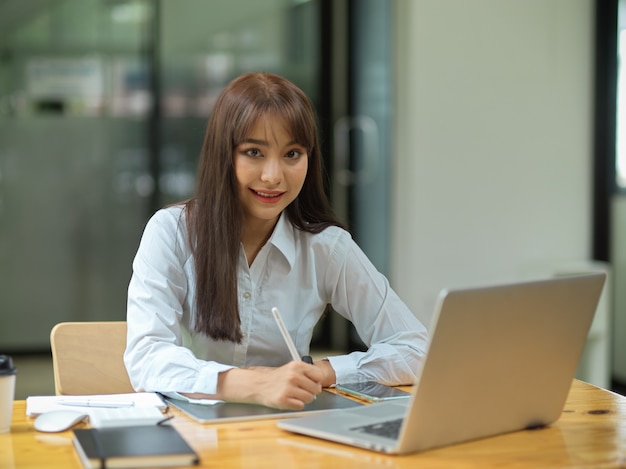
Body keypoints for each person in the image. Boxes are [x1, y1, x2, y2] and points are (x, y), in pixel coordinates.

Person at [124, 72, 429, 410]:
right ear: (224, 156)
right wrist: (250, 384)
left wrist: (321, 372)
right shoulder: (172, 232)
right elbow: (146, 357)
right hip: (194, 428)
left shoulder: (327, 246)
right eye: (254, 152)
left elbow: (417, 349)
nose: (273, 176)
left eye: (292, 154)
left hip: (287, 428)